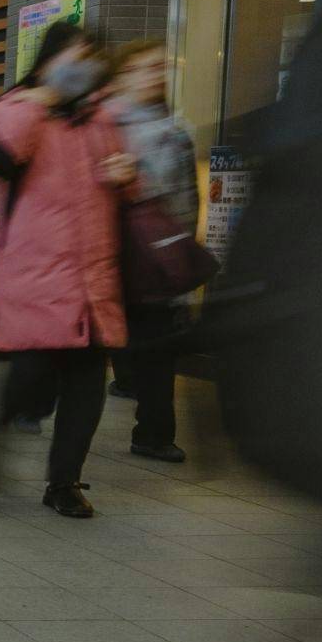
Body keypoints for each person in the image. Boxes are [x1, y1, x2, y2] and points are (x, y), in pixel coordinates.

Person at [0, 20, 135, 519]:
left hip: (91, 277)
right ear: (47, 61)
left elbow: (126, 191)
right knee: (31, 378)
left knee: (86, 385)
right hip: (33, 275)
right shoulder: (15, 109)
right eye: (76, 56)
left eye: (93, 58)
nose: (86, 66)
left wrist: (128, 178)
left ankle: (63, 483)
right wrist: (39, 102)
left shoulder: (102, 120)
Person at [106, 41, 199, 464]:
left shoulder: (175, 130)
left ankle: (154, 434)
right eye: (144, 68)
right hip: (109, 254)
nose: (155, 75)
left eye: (160, 67)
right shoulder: (103, 125)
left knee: (159, 350)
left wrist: (179, 254)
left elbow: (187, 198)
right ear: (123, 76)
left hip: (156, 256)